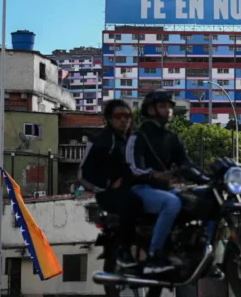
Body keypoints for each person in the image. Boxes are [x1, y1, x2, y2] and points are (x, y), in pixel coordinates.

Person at [125, 90, 210, 276]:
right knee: (172, 202)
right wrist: (154, 175)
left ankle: (203, 257)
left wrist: (210, 180)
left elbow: (186, 165)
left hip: (164, 190)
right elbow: (133, 167)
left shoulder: (171, 138)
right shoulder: (138, 136)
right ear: (151, 109)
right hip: (140, 189)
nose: (169, 110)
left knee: (207, 201)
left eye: (170, 106)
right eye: (163, 106)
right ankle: (154, 256)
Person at [78, 100, 143, 269]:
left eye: (127, 116)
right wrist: (107, 185)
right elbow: (83, 173)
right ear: (109, 118)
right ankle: (125, 250)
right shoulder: (102, 141)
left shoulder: (136, 140)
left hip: (135, 188)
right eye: (118, 116)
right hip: (110, 195)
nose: (124, 120)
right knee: (133, 203)